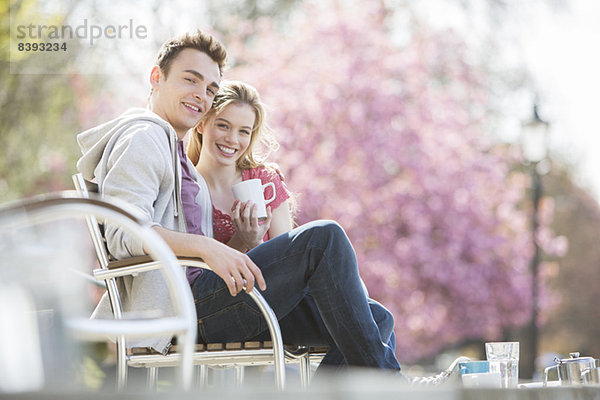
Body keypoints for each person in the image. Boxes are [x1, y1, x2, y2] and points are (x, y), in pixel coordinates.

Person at [76, 29, 460, 382]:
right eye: (190, 79)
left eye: (210, 88)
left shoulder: (173, 152)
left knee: (374, 318)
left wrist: (235, 244)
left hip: (202, 300)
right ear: (156, 77)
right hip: (180, 311)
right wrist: (207, 247)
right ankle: (396, 389)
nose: (201, 95)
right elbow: (125, 233)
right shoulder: (144, 136)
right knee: (322, 239)